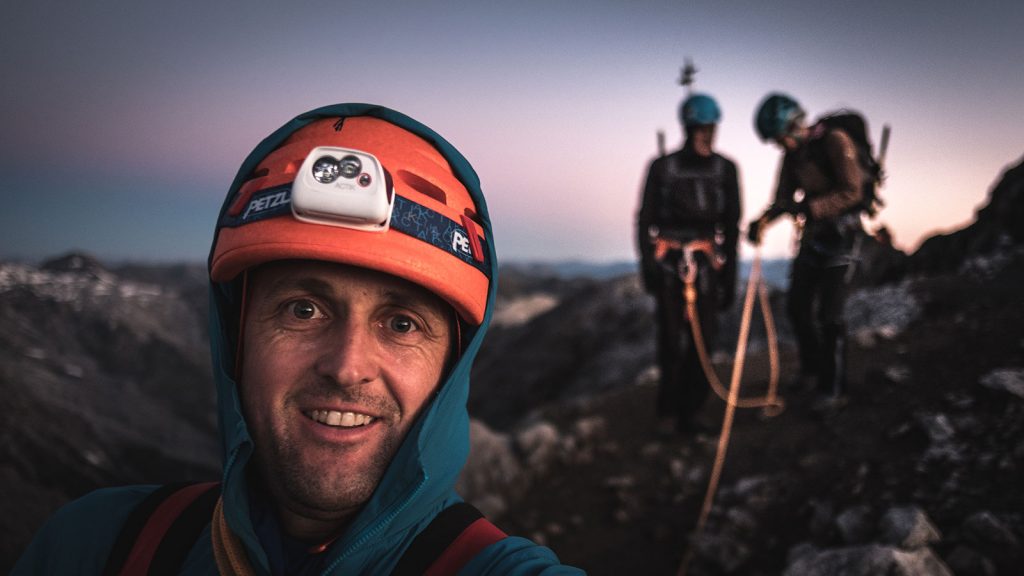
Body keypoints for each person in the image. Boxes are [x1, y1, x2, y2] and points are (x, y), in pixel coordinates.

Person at [14, 104, 584, 575]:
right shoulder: (94, 549)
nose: (346, 366)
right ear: (236, 341)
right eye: (303, 310)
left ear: (450, 367)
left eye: (402, 323)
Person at [746, 92, 867, 407]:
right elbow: (784, 200)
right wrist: (762, 222)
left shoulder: (836, 141)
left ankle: (833, 387)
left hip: (843, 236)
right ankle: (812, 370)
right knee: (798, 307)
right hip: (814, 237)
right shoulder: (792, 158)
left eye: (781, 138)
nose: (780, 145)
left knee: (831, 315)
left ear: (794, 126)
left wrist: (814, 208)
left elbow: (853, 191)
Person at [636, 93, 741, 435]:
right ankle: (668, 410)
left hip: (706, 266)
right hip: (670, 267)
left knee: (703, 341)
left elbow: (732, 225)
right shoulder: (662, 167)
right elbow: (644, 219)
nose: (705, 136)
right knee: (669, 341)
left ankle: (692, 410)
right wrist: (648, 268)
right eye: (700, 129)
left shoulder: (724, 170)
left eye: (708, 129)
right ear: (688, 128)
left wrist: (730, 278)